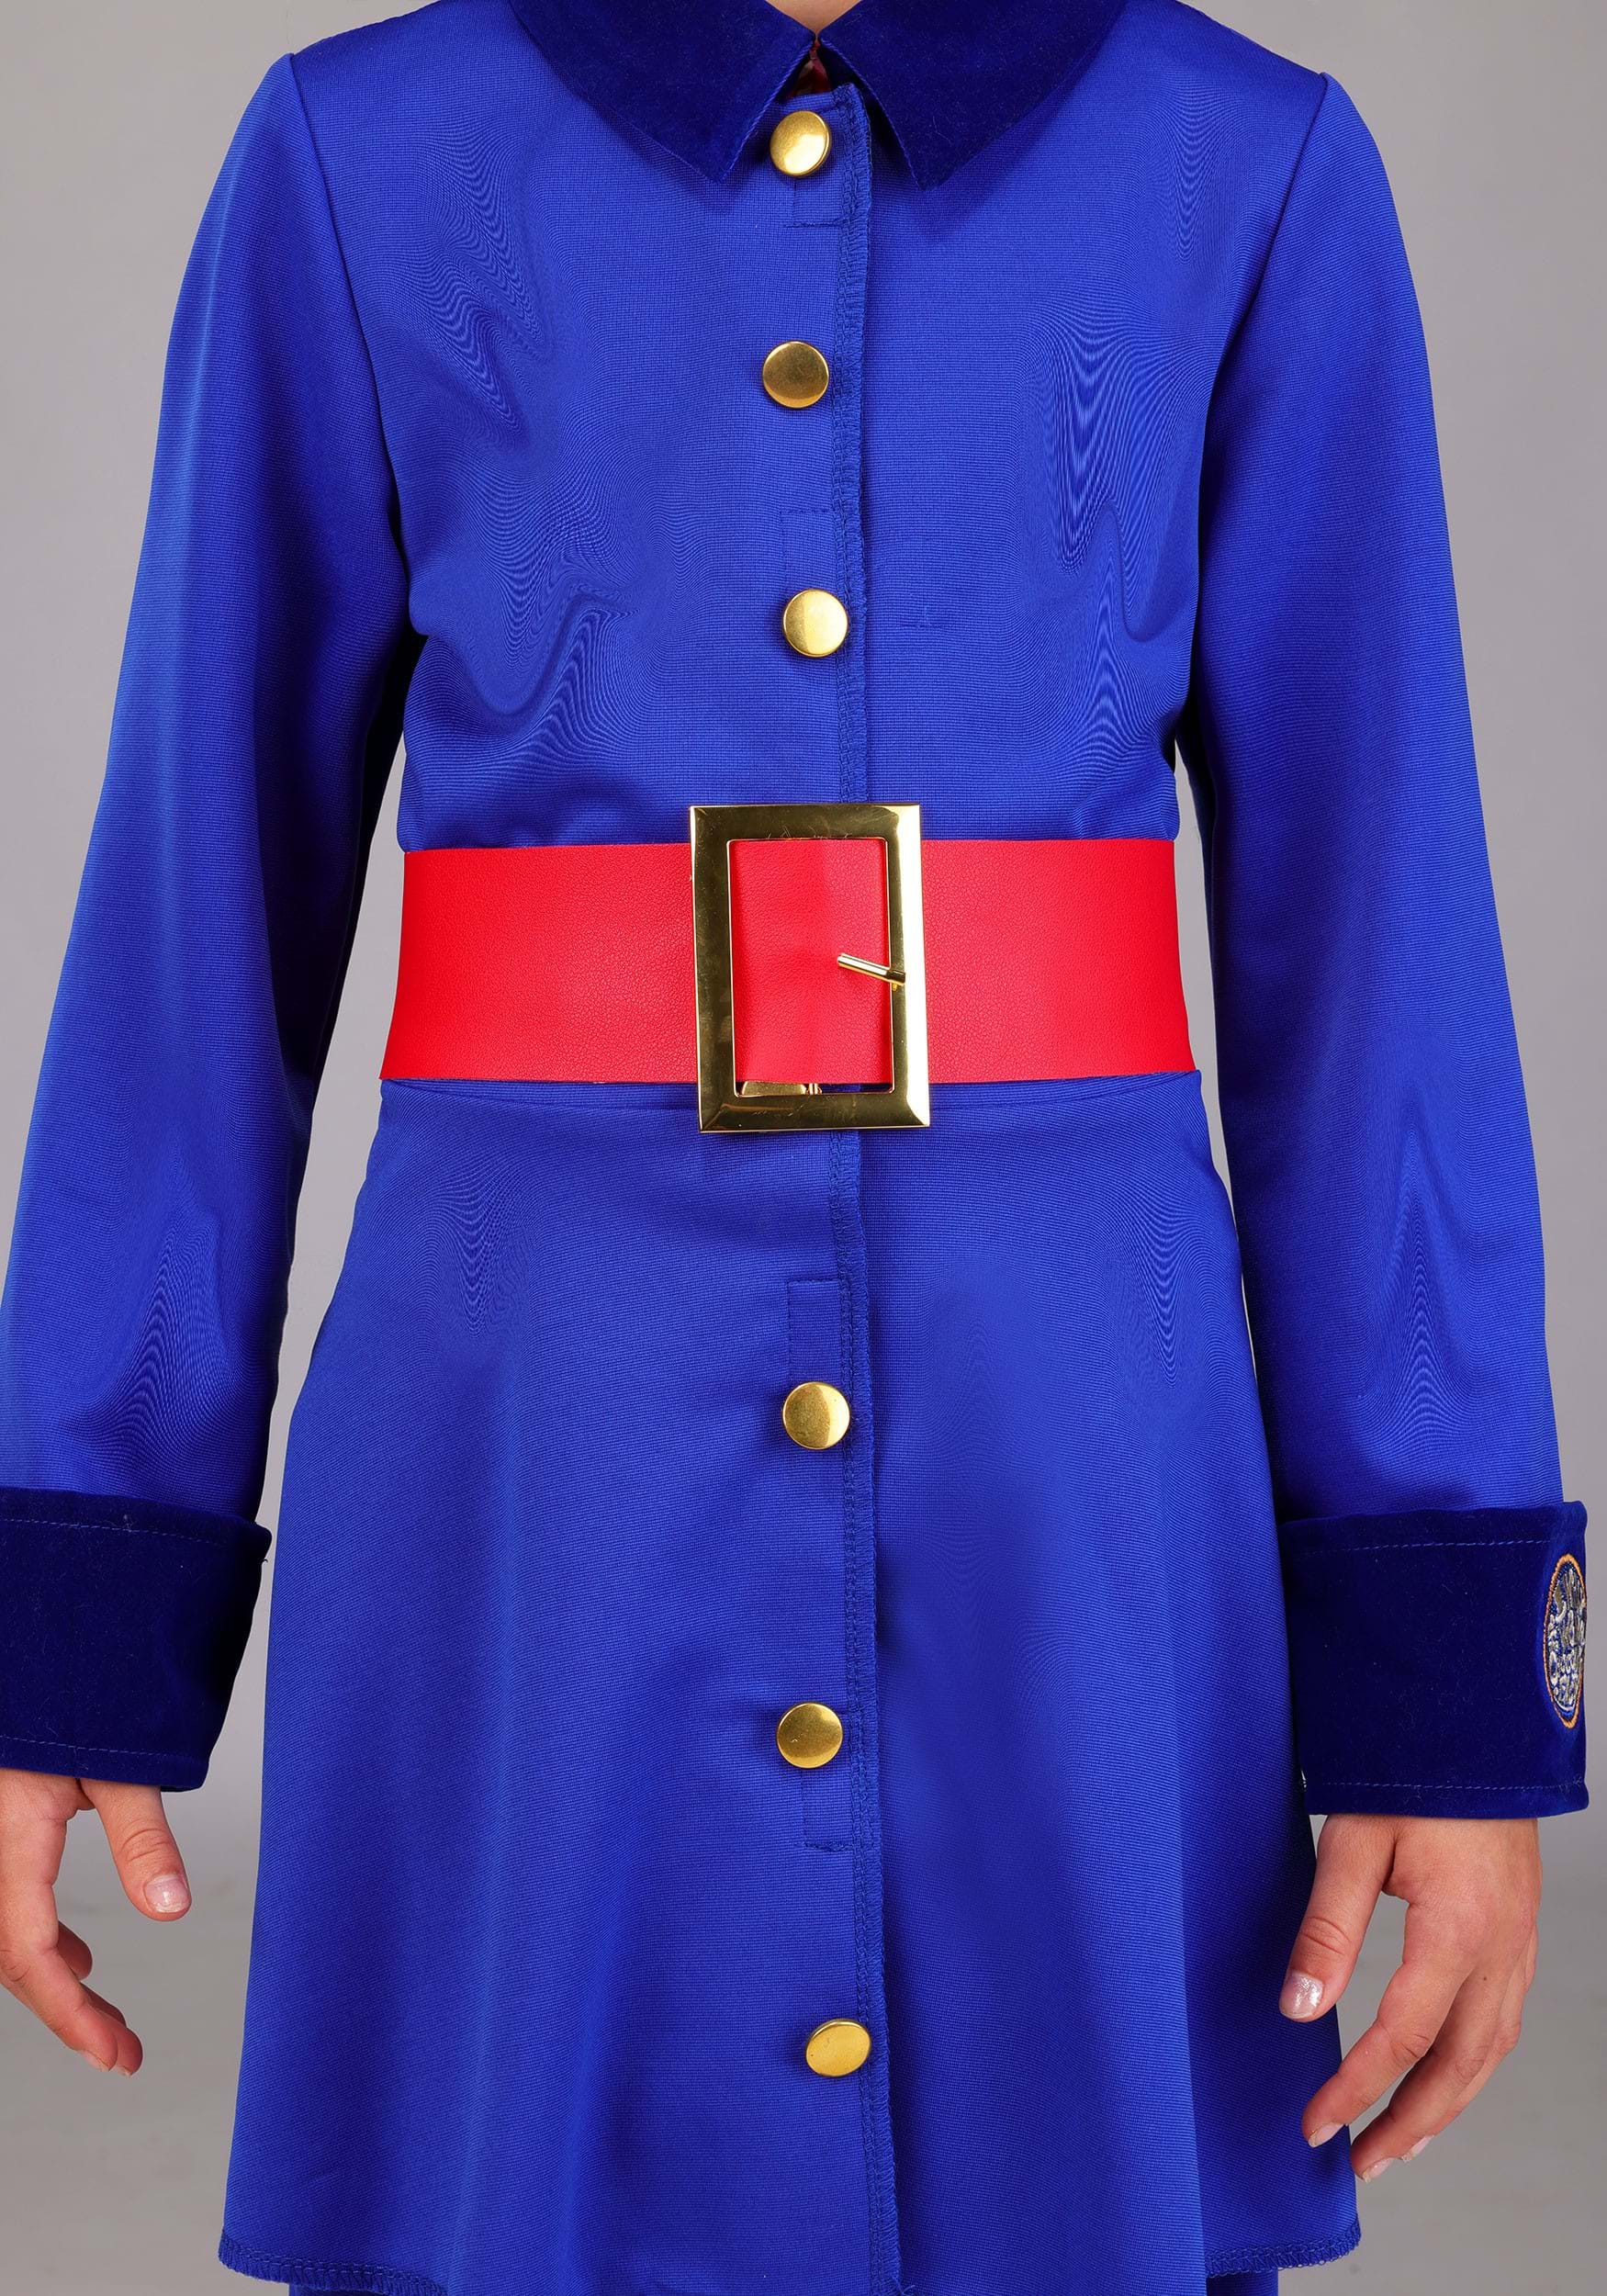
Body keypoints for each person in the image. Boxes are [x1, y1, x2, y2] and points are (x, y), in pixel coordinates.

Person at [0, 3, 1587, 2293]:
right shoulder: (361, 153)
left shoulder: (1240, 165)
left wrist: (1449, 1690)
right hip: (528, 1478)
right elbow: (191, 929)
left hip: (1072, 1496)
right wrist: (68, 1621)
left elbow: (1379, 970)